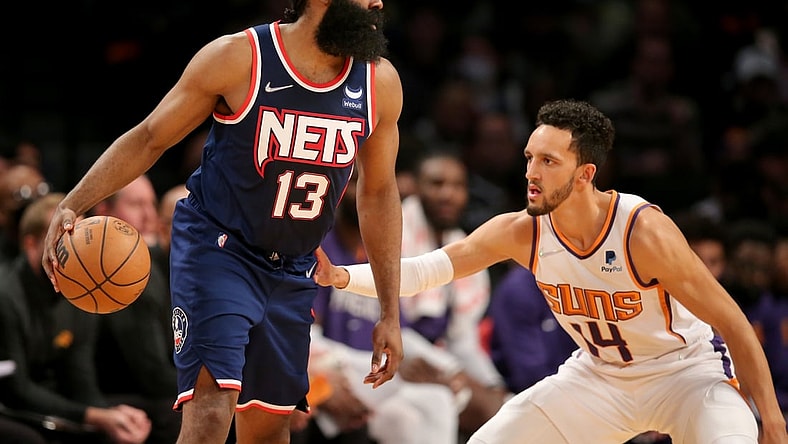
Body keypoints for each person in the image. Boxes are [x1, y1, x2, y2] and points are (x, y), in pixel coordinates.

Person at [314, 99, 788, 443]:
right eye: (528, 158)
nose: (531, 172)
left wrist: (772, 418)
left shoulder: (643, 232)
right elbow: (427, 269)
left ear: (585, 174)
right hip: (600, 379)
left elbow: (732, 322)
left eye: (548, 161)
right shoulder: (523, 230)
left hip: (685, 376)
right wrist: (343, 277)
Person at [41, 1, 405, 443]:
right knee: (211, 411)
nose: (377, 2)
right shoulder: (241, 57)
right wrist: (74, 202)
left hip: (292, 265)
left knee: (270, 429)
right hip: (219, 249)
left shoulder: (378, 81)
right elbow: (150, 136)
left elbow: (380, 192)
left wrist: (389, 311)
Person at [0, 193, 151, 444]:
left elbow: (80, 377)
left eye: (78, 239)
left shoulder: (82, 294)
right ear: (30, 244)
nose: (73, 248)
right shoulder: (6, 296)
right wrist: (95, 416)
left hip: (52, 396)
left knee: (145, 418)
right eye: (61, 241)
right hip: (9, 403)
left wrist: (108, 414)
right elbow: (15, 389)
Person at [90, 176, 182, 444]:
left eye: (152, 205)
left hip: (152, 387)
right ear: (103, 212)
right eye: (136, 204)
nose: (149, 216)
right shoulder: (129, 273)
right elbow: (152, 375)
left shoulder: (180, 269)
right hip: (117, 391)